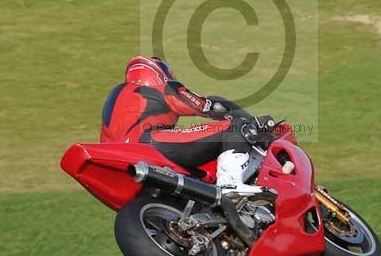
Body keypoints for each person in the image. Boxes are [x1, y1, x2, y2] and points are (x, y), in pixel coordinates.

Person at [100, 56, 265, 194]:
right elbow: (201, 105)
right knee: (234, 126)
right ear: (159, 72)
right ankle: (230, 184)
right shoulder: (162, 87)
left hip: (118, 160)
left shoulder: (116, 98)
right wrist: (242, 117)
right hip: (150, 142)